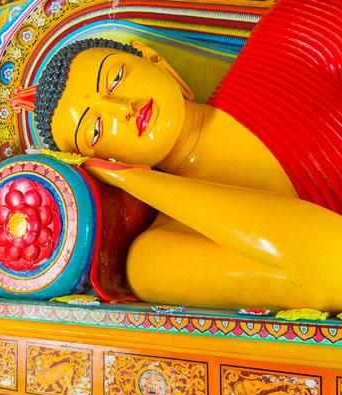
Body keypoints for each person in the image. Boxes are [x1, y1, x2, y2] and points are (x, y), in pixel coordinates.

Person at [32, 0, 342, 312]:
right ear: (103, 162)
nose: (124, 108)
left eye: (115, 79)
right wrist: (134, 179)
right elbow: (334, 269)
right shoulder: (155, 259)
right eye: (96, 130)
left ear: (157, 62)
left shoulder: (290, 39)